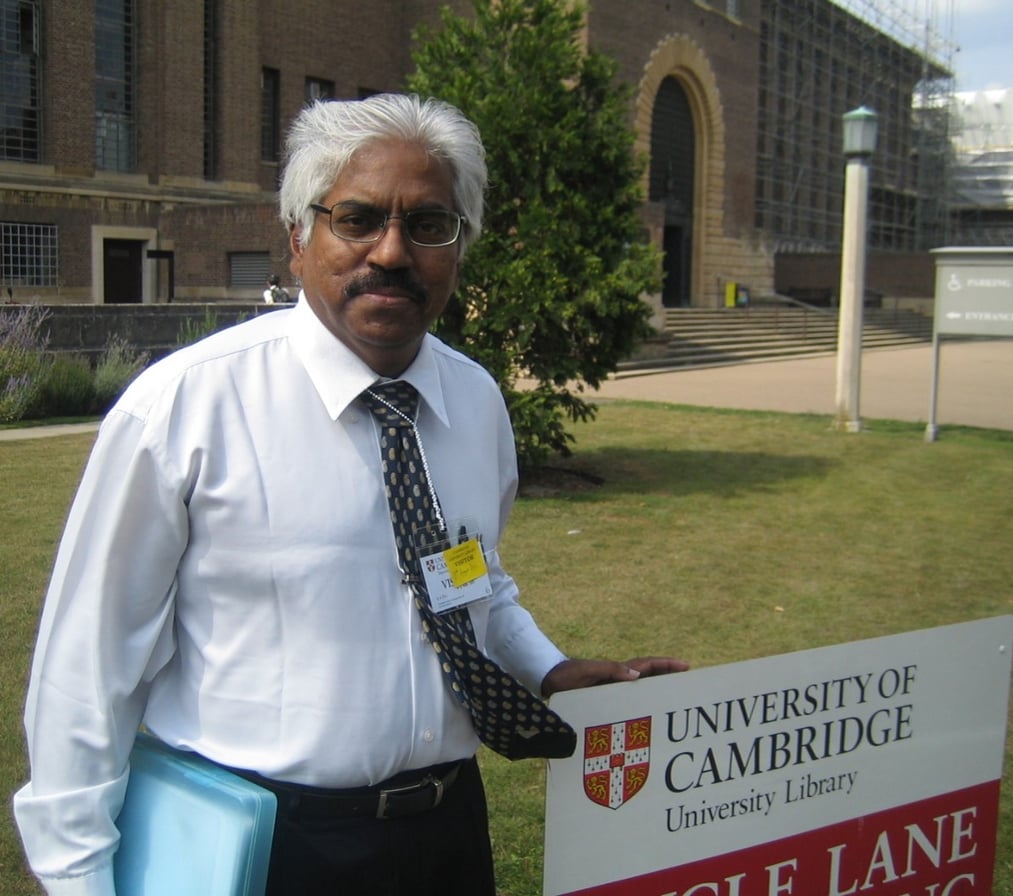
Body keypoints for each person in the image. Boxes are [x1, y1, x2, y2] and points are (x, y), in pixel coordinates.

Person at [14, 93, 687, 896]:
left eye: (430, 224)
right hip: (267, 849)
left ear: (460, 247)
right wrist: (78, 879)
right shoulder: (185, 410)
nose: (393, 252)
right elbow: (86, 670)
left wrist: (547, 669)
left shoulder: (473, 403)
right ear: (299, 237)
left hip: (447, 836)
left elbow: (470, 578)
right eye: (358, 218)